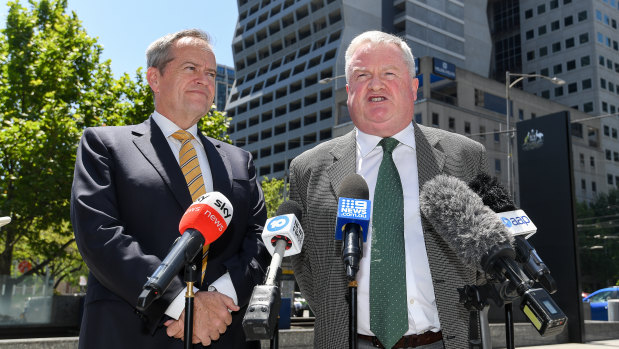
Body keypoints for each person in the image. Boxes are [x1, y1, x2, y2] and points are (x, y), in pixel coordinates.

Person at [289, 31, 488, 349]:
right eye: (362, 75)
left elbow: (496, 241)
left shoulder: (467, 156)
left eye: (389, 73)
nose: (376, 84)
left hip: (446, 340)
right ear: (349, 89)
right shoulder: (306, 169)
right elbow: (302, 263)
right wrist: (336, 315)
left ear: (413, 87)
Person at [71, 29, 269, 348]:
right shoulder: (104, 145)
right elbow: (100, 235)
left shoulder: (239, 161)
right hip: (131, 333)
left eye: (210, 73)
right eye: (190, 68)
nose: (204, 79)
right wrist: (181, 303)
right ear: (154, 77)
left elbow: (260, 240)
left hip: (224, 331)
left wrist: (217, 301)